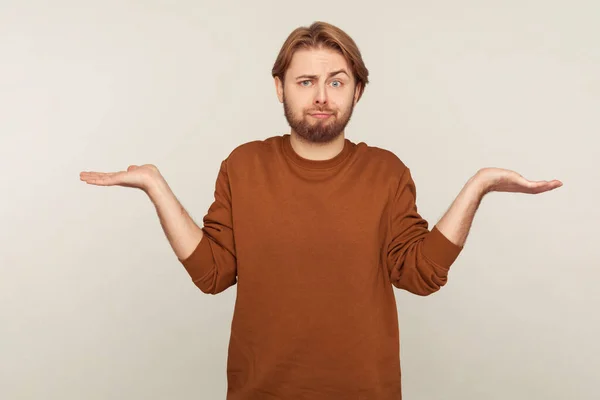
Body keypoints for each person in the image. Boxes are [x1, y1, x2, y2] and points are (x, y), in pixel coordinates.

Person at [80, 21, 562, 400]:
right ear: (279, 87)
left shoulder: (386, 172)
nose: (321, 97)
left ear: (358, 90)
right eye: (306, 81)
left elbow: (419, 274)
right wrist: (154, 186)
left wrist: (477, 187)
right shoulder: (244, 165)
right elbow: (213, 273)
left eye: (337, 81)